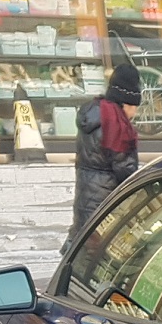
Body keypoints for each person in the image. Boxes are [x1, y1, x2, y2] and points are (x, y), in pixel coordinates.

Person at [67, 62, 141, 246]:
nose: (136, 111)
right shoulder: (115, 124)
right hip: (103, 196)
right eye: (135, 106)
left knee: (83, 240)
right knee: (97, 247)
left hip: (86, 192)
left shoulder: (95, 112)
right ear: (126, 102)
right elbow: (125, 168)